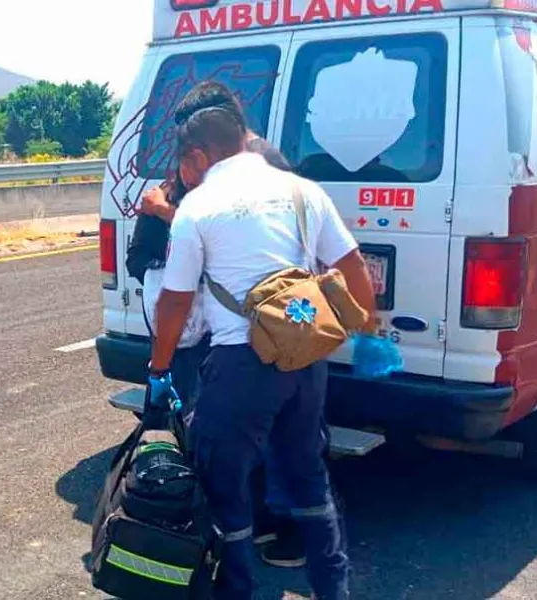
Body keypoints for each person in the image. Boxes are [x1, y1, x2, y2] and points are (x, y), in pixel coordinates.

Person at [146, 86, 377, 600]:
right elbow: (353, 267)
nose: (184, 175)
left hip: (239, 364)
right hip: (305, 359)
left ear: (199, 156)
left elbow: (175, 303)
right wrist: (367, 331)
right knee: (308, 480)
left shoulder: (199, 206)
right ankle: (332, 590)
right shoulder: (301, 190)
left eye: (185, 164)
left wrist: (159, 368)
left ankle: (237, 592)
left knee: (225, 487)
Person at [133, 81, 314, 570]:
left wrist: (164, 212)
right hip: (244, 321)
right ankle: (257, 522)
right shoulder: (247, 163)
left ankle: (281, 527)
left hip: (262, 326)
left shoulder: (260, 167)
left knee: (263, 432)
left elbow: (225, 238)